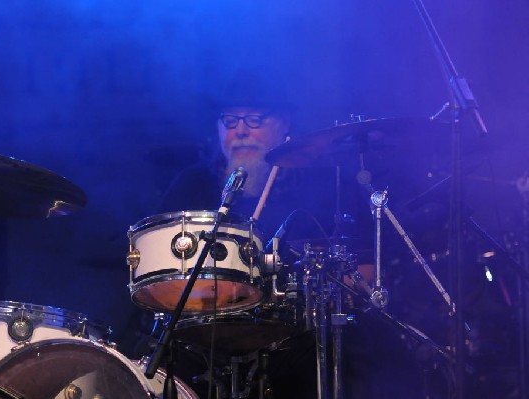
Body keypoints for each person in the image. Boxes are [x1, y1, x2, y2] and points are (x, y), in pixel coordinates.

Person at [151, 68, 422, 399]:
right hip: (204, 327)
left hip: (293, 334)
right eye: (230, 121)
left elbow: (364, 269)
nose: (240, 132)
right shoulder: (192, 183)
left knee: (354, 358)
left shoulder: (316, 188)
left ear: (284, 126)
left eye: (254, 120)